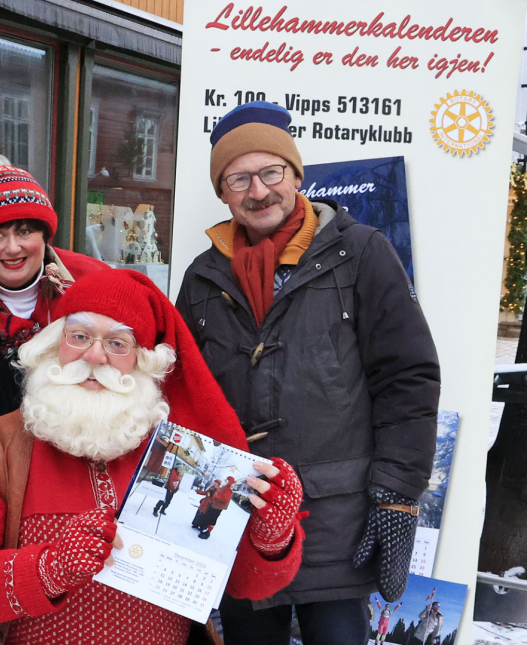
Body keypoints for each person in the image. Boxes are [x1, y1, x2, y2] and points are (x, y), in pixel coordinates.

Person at [0, 270, 307, 644]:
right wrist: (47, 569)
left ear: (141, 359)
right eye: (80, 336)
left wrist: (272, 538)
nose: (96, 356)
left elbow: (246, 585)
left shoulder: (179, 449)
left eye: (117, 343)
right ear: (55, 345)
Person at [177, 100, 441, 645]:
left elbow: (408, 378)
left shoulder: (361, 253)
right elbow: (181, 389)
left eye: (271, 172)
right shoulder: (203, 277)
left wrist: (396, 492)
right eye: (238, 178)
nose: (258, 190)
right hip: (241, 515)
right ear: (223, 192)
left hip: (336, 522)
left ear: (296, 175)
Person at [0, 164, 108, 463]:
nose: (13, 248)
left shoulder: (94, 282)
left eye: (25, 231)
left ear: (44, 235)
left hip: (83, 465)